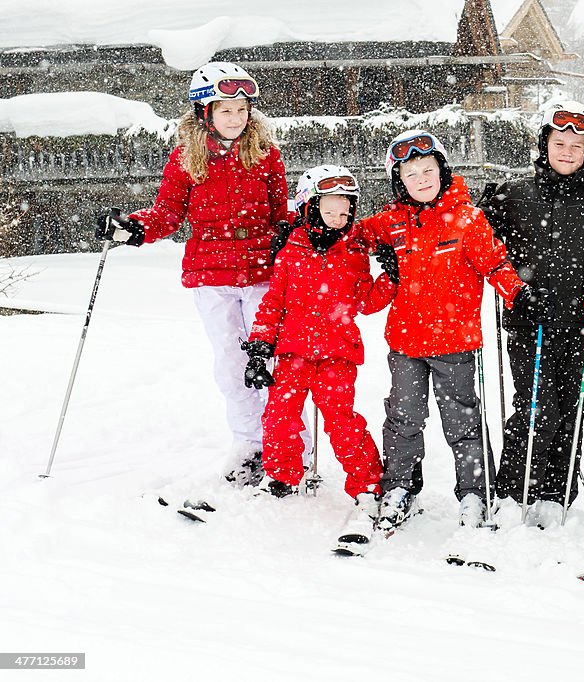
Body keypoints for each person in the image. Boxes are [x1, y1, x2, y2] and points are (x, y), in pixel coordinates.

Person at [94, 61, 310, 485]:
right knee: (232, 363)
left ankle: (290, 442)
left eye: (242, 108)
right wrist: (136, 228)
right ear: (204, 113)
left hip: (263, 271)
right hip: (211, 274)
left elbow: (279, 210)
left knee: (276, 361)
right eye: (226, 109)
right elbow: (168, 213)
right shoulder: (185, 159)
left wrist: (298, 231)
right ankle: (249, 443)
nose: (236, 117)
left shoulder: (267, 156)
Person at [357, 129, 532, 531]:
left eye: (428, 169)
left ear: (442, 170)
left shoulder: (467, 218)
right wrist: (314, 226)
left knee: (462, 421)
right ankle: (400, 487)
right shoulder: (392, 221)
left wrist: (517, 293)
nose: (421, 179)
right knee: (403, 417)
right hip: (405, 343)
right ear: (399, 182)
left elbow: (495, 264)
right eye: (411, 174)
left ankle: (474, 492)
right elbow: (352, 235)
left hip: (455, 342)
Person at [241, 164, 394, 550]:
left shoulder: (354, 252)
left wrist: (390, 277)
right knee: (278, 415)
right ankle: (282, 475)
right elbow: (273, 303)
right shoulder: (290, 252)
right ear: (309, 207)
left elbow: (366, 301)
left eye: (347, 211)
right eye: (331, 209)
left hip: (336, 355)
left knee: (341, 422)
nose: (340, 218)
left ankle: (367, 485)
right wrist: (261, 347)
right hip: (292, 352)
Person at [480, 101, 584, 529]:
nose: (568, 150)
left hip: (579, 321)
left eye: (577, 144)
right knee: (538, 405)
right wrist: (512, 289)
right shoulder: (515, 194)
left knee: (571, 405)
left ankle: (557, 491)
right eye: (560, 142)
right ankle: (514, 488)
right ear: (545, 144)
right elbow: (479, 242)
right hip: (528, 319)